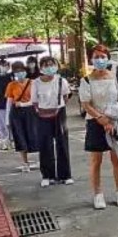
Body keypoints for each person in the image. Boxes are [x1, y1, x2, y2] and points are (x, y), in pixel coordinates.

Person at [79, 44, 118, 210]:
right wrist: (100, 118)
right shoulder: (86, 81)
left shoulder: (117, 77)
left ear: (108, 58)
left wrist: (111, 116)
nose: (100, 60)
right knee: (96, 160)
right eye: (96, 57)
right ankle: (98, 194)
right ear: (91, 59)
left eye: (103, 56)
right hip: (95, 121)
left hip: (115, 120)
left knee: (116, 158)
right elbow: (85, 104)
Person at [32, 56, 73, 187]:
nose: (50, 67)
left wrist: (58, 108)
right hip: (42, 115)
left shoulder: (62, 80)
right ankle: (47, 175)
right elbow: (34, 101)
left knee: (62, 143)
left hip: (59, 113)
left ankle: (65, 175)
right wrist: (42, 112)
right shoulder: (36, 83)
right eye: (46, 65)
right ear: (41, 67)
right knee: (45, 145)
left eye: (52, 64)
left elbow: (66, 97)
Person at [6, 60, 37, 172]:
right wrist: (7, 120)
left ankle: (40, 160)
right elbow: (9, 102)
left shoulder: (33, 83)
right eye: (16, 71)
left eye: (21, 71)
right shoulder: (11, 85)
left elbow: (35, 100)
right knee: (20, 137)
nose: (19, 73)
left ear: (25, 71)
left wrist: (24, 104)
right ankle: (25, 162)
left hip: (31, 112)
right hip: (16, 113)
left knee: (34, 136)